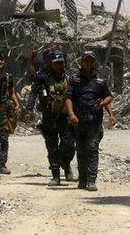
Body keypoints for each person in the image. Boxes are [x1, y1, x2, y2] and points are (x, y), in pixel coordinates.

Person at [65, 51, 113, 191]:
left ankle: (91, 180)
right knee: (80, 150)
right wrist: (71, 114)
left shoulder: (100, 80)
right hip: (78, 121)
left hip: (94, 121)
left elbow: (109, 96)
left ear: (94, 62)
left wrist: (103, 105)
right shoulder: (74, 80)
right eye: (86, 61)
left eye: (91, 61)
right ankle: (82, 179)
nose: (89, 63)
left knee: (92, 148)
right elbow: (68, 98)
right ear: (82, 62)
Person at [27, 48, 75, 185]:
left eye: (61, 63)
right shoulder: (45, 77)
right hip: (49, 117)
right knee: (52, 146)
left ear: (64, 63)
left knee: (69, 145)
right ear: (51, 64)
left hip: (65, 117)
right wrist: (32, 59)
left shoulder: (70, 77)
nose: (58, 66)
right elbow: (32, 76)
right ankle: (56, 176)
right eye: (55, 63)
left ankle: (65, 163)